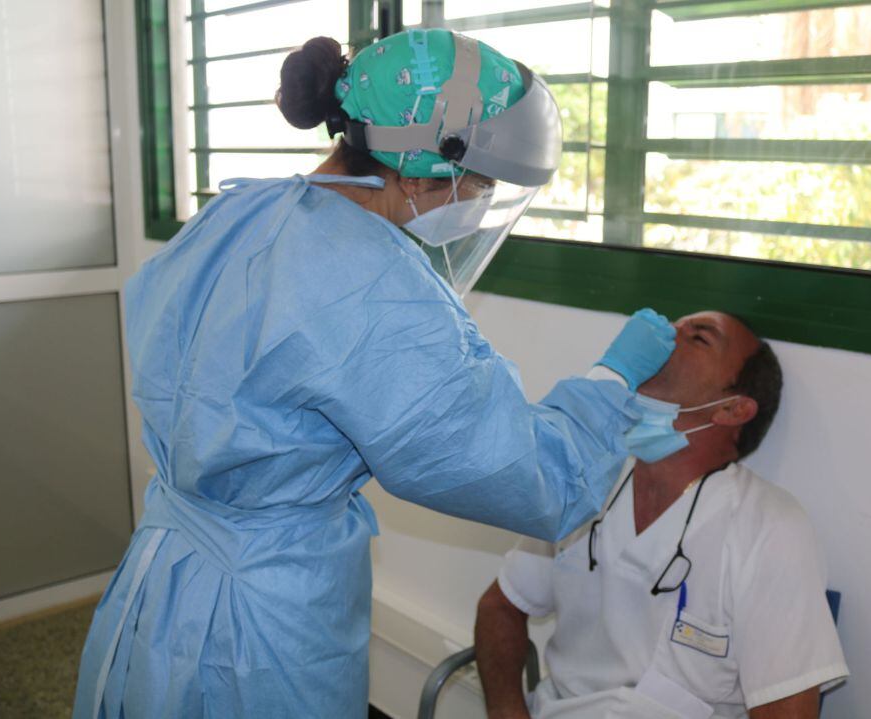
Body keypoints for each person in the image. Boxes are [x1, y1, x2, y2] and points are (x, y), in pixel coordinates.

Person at [73, 29, 680, 719]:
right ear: (425, 168)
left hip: (165, 571)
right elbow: (530, 478)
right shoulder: (373, 286)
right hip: (257, 618)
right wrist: (610, 382)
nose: (478, 201)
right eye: (479, 183)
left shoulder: (243, 210)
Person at [476, 312, 849, 719]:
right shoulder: (586, 475)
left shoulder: (770, 528)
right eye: (673, 325)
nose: (666, 335)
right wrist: (507, 712)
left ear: (731, 409)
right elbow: (500, 607)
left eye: (699, 337)